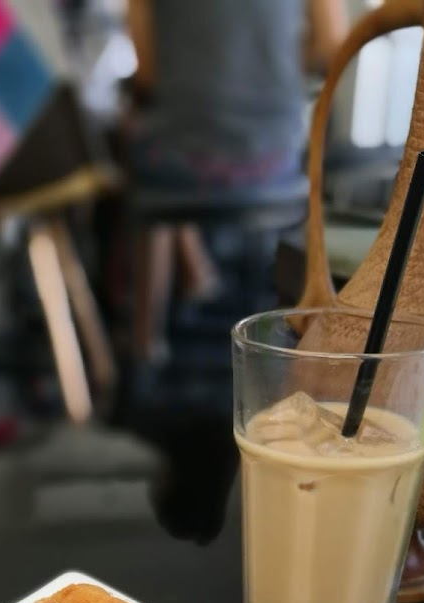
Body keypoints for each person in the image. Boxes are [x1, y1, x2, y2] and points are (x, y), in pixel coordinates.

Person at [126, 0, 348, 361]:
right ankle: (300, 342)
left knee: (141, 152)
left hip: (186, 163)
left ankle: (146, 343)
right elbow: (331, 44)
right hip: (274, 159)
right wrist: (274, 69)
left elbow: (147, 73)